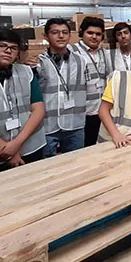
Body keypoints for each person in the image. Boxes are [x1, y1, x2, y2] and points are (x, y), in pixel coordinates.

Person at [0, 29, 46, 177]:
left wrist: (16, 144)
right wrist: (7, 150)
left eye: (13, 48)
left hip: (30, 148)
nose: (8, 51)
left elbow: (38, 110)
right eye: (2, 46)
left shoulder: (26, 72)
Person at [35, 18, 90, 157]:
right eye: (55, 32)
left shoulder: (80, 61)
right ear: (46, 36)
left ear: (70, 35)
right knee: (46, 164)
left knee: (76, 161)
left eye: (65, 32)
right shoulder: (38, 62)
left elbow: (87, 88)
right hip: (47, 124)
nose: (61, 36)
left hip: (75, 122)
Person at [70, 16, 109, 146]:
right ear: (82, 33)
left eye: (98, 34)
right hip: (82, 113)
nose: (94, 37)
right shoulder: (71, 51)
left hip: (101, 111)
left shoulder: (104, 53)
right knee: (83, 148)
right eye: (90, 33)